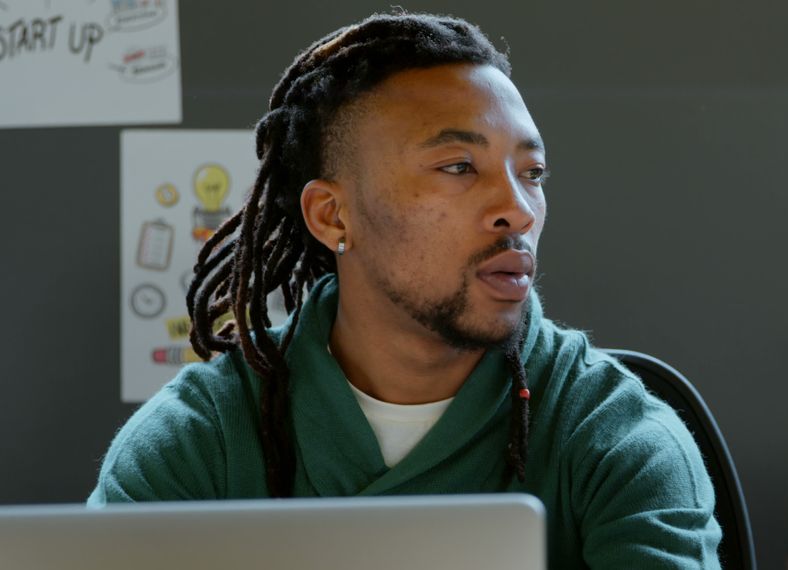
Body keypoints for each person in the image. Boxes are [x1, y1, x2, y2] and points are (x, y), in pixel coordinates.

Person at [88, 11, 722, 569]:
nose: (518, 210)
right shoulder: (196, 444)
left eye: (532, 173)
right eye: (458, 167)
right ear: (333, 216)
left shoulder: (623, 445)